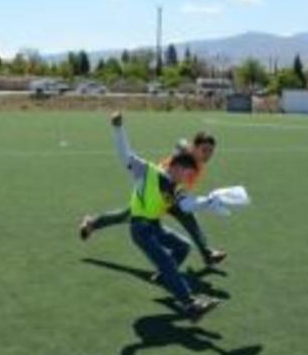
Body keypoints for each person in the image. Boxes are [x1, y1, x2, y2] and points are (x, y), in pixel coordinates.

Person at [107, 111, 219, 318]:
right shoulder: (148, 171)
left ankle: (165, 278)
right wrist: (118, 128)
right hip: (140, 229)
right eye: (185, 172)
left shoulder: (175, 187)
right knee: (167, 262)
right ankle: (190, 304)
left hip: (155, 227)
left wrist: (211, 202)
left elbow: (186, 206)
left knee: (184, 246)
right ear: (175, 166)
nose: (187, 177)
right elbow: (125, 154)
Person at [80, 132, 227, 269]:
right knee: (126, 216)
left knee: (190, 220)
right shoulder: (184, 156)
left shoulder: (199, 166)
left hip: (174, 197)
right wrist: (181, 148)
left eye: (211, 151)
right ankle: (92, 223)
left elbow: (183, 189)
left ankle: (207, 254)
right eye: (205, 150)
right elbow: (177, 149)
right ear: (194, 147)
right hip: (157, 192)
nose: (208, 155)